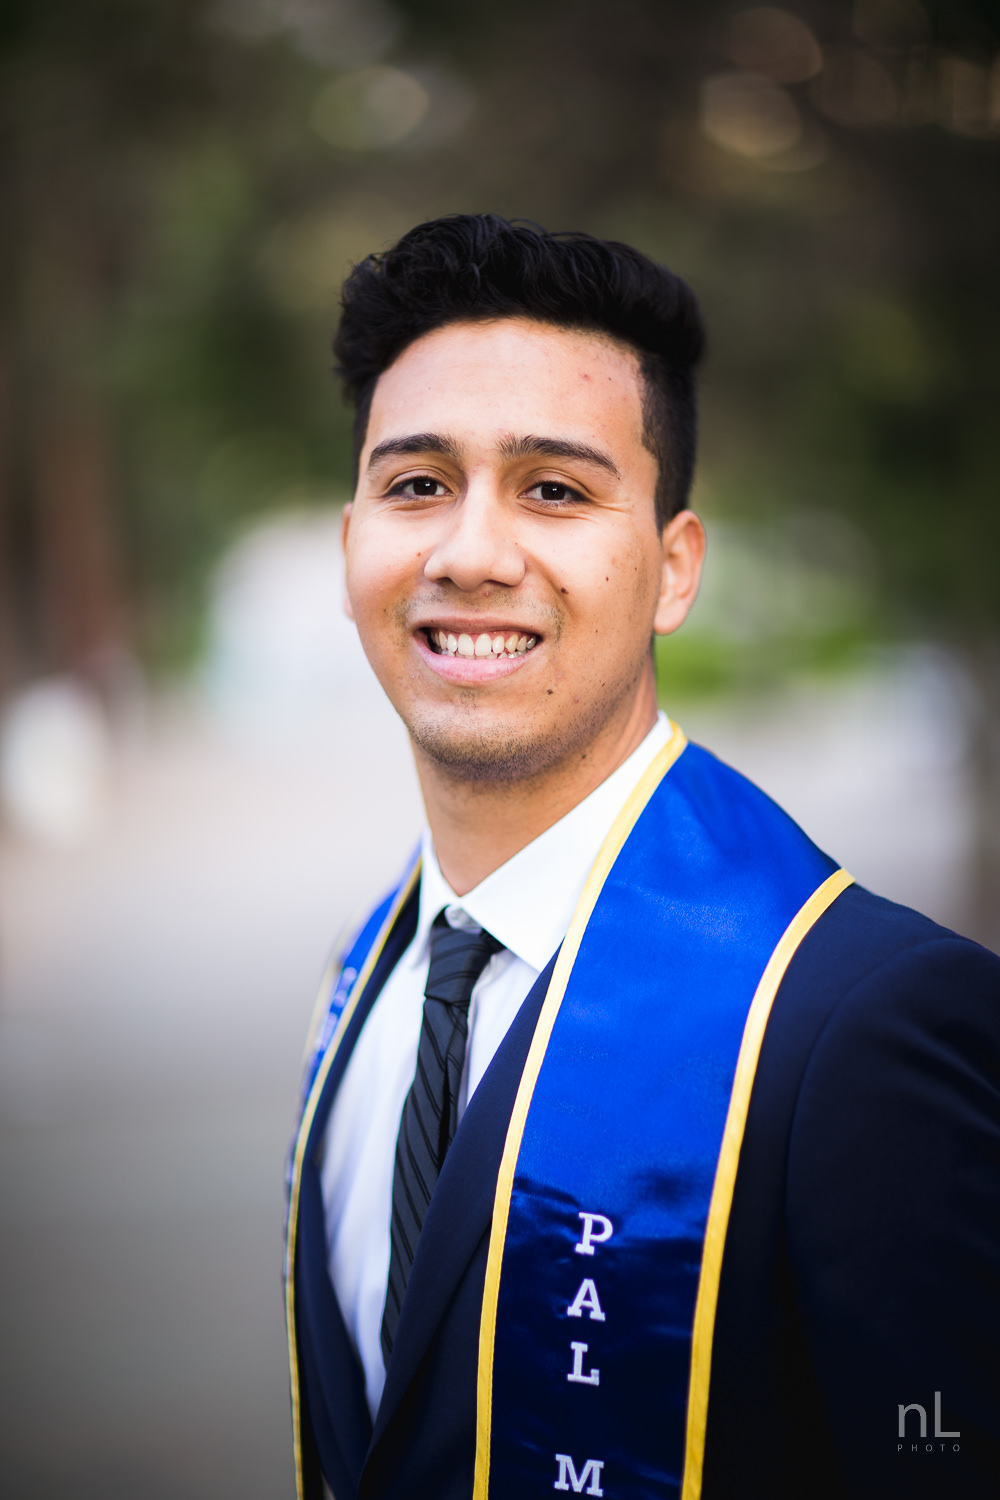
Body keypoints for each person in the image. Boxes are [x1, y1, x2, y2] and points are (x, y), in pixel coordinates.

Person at [284, 214, 1000, 1500]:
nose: (471, 553)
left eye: (554, 489)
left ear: (673, 569)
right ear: (352, 549)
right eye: (416, 485)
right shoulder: (371, 980)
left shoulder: (856, 1019)